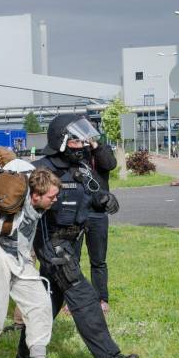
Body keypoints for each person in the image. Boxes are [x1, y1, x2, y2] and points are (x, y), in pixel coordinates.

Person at [16, 114, 139, 358]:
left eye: (84, 140)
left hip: (74, 241)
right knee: (84, 297)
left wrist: (105, 199)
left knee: (48, 301)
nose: (82, 145)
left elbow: (93, 193)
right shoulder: (39, 169)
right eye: (75, 141)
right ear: (61, 141)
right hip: (52, 243)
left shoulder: (83, 167)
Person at [0, 166, 70, 358]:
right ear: (36, 196)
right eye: (51, 197)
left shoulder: (34, 203)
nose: (55, 200)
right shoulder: (12, 201)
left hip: (19, 259)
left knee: (40, 303)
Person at [75, 134, 117, 315]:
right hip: (76, 212)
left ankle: (101, 298)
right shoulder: (73, 151)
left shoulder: (102, 149)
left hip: (97, 212)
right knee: (72, 259)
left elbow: (109, 164)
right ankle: (71, 299)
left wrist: (94, 145)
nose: (82, 138)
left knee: (98, 260)